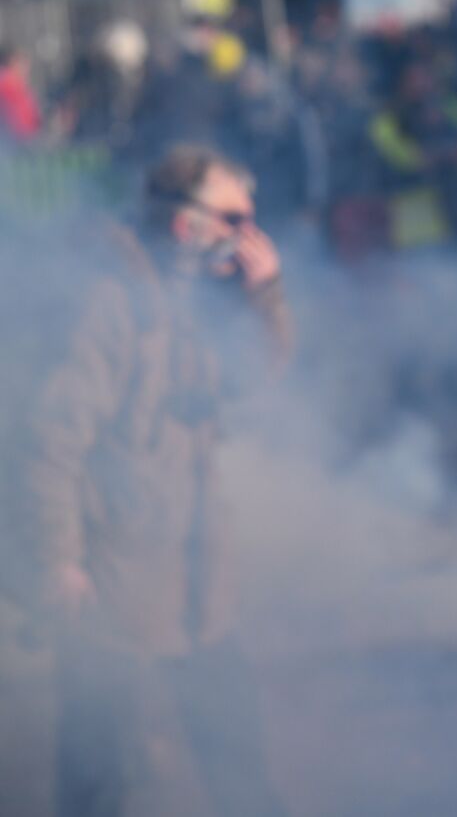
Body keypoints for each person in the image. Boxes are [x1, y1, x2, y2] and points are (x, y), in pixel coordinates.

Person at [18, 144, 291, 816]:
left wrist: (265, 298)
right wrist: (58, 560)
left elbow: (249, 379)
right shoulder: (109, 303)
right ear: (184, 223)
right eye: (234, 218)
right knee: (100, 777)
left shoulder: (202, 286)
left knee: (239, 765)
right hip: (113, 585)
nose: (248, 234)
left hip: (197, 575)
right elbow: (48, 443)